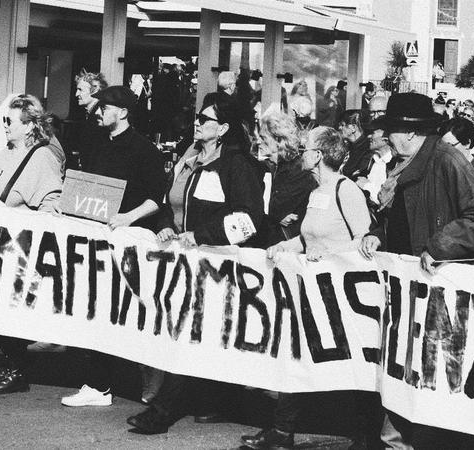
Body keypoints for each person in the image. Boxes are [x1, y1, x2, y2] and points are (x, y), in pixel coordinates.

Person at [358, 93, 474, 449]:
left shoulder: (446, 160)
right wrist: (377, 236)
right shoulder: (405, 165)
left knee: (432, 399)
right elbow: (401, 221)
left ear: (407, 133)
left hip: (440, 300)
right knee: (402, 389)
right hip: (409, 300)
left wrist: (440, 246)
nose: (385, 138)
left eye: (389, 130)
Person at [126, 93, 264, 435]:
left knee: (189, 332)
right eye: (198, 117)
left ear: (224, 128)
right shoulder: (187, 159)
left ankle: (163, 411)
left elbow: (249, 220)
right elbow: (166, 203)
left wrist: (201, 234)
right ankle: (216, 400)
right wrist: (165, 228)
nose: (197, 123)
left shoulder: (237, 165)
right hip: (179, 265)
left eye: (205, 119)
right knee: (188, 332)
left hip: (218, 268)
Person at [241, 126, 377, 449]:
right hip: (313, 292)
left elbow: (365, 241)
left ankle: (366, 436)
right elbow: (307, 238)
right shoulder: (316, 193)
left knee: (351, 365)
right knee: (295, 355)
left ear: (317, 156)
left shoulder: (347, 191)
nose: (301, 153)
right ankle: (282, 431)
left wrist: (330, 255)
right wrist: (285, 249)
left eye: (306, 149)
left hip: (342, 297)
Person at [60, 85, 167, 408]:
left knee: (129, 313)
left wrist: (127, 218)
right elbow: (85, 186)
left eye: (105, 108)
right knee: (95, 309)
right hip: (96, 241)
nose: (99, 113)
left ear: (121, 112)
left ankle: (148, 373)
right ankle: (99, 383)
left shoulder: (145, 151)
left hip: (129, 244)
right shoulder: (95, 144)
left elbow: (155, 199)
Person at [0, 94, 65, 395]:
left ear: (30, 125)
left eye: (10, 121)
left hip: (16, 247)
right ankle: (14, 360)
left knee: (4, 309)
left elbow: (51, 200)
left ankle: (17, 368)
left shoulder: (42, 157)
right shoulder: (4, 153)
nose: (5, 125)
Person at [255, 110, 317, 246]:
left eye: (263, 137)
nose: (258, 142)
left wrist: (273, 214)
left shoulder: (298, 170)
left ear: (278, 140)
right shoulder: (266, 166)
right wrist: (276, 216)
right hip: (269, 236)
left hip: (287, 244)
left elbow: (275, 208)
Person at [73, 69, 108, 170]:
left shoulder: (100, 116)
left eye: (80, 90)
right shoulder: (90, 114)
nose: (76, 94)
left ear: (95, 90)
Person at [339, 109, 372, 181]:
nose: (339, 128)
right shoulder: (348, 147)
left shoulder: (367, 150)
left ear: (353, 128)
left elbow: (356, 175)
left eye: (342, 125)